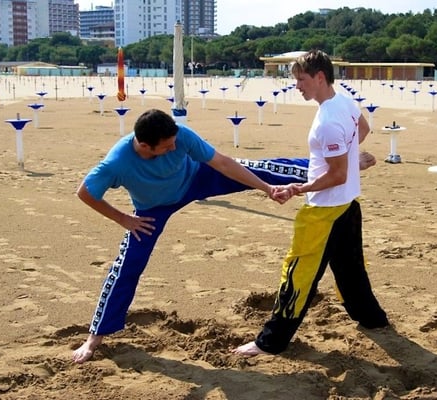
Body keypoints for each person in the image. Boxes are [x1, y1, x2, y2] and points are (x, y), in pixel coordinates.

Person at [72, 108, 309, 364]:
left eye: (174, 142)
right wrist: (123, 219)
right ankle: (95, 337)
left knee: (259, 168)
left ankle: (322, 169)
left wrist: (267, 189)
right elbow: (85, 192)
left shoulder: (180, 135)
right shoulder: (117, 163)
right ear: (144, 145)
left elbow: (223, 163)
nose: (174, 148)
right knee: (128, 266)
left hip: (198, 177)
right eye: (167, 147)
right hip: (153, 209)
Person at [233, 50, 389, 356]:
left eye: (301, 79)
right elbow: (363, 130)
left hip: (323, 212)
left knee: (297, 275)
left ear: (320, 77)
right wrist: (349, 157)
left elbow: (337, 175)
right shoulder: (345, 102)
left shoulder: (327, 121)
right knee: (351, 271)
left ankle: (270, 343)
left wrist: (300, 188)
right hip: (347, 205)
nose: (297, 86)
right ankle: (373, 321)